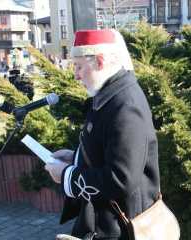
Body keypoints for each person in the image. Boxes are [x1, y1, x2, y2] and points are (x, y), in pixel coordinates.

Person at [45, 29, 160, 240]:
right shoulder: (114, 96)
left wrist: (66, 176)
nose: (76, 75)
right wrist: (76, 158)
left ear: (99, 62)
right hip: (110, 223)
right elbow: (112, 153)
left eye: (79, 67)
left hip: (120, 230)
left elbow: (121, 180)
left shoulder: (125, 106)